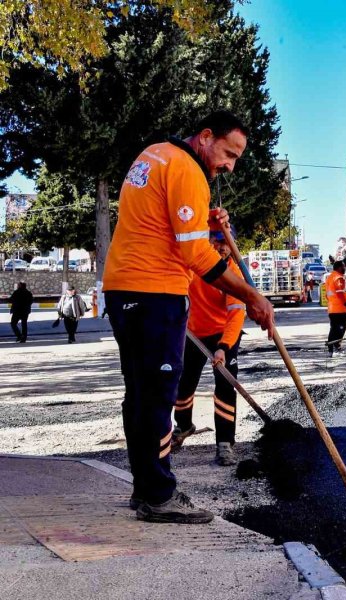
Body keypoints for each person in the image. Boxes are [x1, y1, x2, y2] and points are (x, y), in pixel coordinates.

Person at [103, 110, 275, 525]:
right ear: (204, 136)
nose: (230, 165)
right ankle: (160, 495)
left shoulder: (153, 155)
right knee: (159, 395)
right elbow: (194, 255)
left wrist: (208, 225)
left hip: (121, 287)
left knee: (140, 394)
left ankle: (145, 488)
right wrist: (252, 295)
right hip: (155, 293)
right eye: (228, 153)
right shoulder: (187, 170)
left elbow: (163, 225)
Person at [172, 226, 245, 466]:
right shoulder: (194, 267)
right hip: (192, 334)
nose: (221, 246)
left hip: (224, 336)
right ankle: (183, 426)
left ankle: (225, 443)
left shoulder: (234, 275)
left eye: (226, 242)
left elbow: (235, 315)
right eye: (216, 240)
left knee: (225, 386)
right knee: (183, 384)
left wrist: (224, 347)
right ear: (207, 242)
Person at [324, 260, 346, 356]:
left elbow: (328, 294)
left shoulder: (330, 278)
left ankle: (331, 349)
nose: (344, 268)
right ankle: (337, 346)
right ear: (339, 267)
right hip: (340, 308)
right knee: (341, 329)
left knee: (333, 328)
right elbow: (340, 293)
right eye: (343, 266)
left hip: (332, 308)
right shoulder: (338, 278)